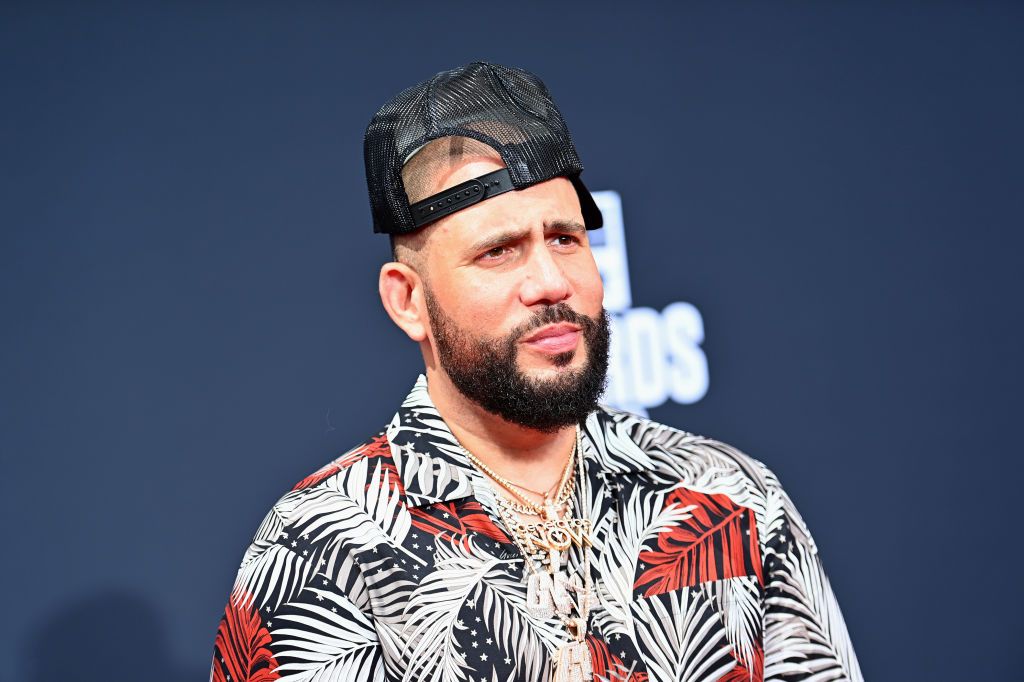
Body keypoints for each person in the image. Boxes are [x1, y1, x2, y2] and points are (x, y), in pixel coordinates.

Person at [210, 61, 862, 682]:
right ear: (408, 301)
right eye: (499, 251)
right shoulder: (322, 548)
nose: (551, 282)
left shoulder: (729, 496)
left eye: (565, 239)